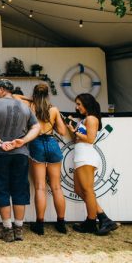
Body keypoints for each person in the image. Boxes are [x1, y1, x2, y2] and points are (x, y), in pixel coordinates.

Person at [0, 79, 40, 242]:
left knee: (1, 188)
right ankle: (19, 229)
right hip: (21, 153)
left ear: (1, 89)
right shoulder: (25, 107)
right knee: (19, 189)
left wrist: (0, 142)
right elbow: (36, 127)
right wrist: (23, 141)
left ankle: (7, 230)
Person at [14, 83, 68, 235]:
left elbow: (14, 96)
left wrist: (32, 99)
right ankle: (61, 223)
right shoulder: (54, 109)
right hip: (52, 144)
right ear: (47, 94)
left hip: (36, 143)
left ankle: (40, 224)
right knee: (56, 187)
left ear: (34, 94)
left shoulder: (30, 106)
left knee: (40, 187)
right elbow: (62, 131)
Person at [65, 93, 118, 235]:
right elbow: (77, 139)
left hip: (86, 157)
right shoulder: (85, 119)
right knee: (78, 190)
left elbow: (90, 139)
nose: (77, 107)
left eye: (79, 104)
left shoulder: (91, 118)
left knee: (88, 191)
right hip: (80, 157)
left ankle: (91, 221)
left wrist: (75, 130)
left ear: (86, 103)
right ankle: (103, 217)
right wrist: (72, 128)